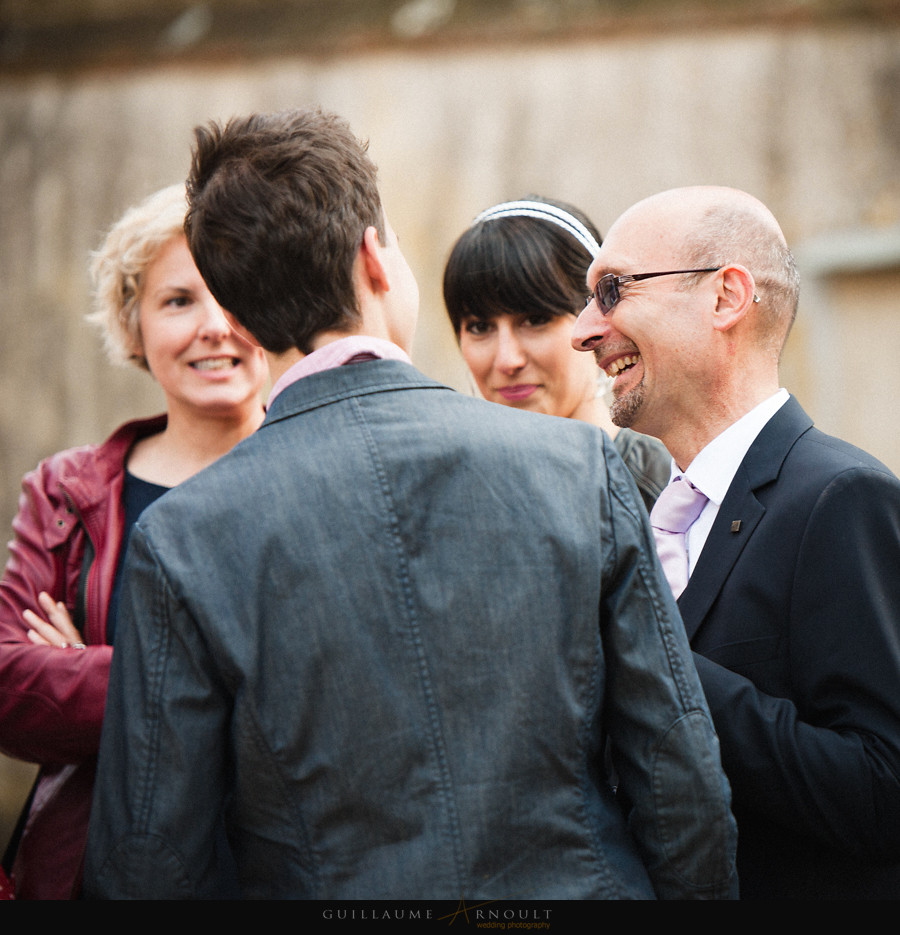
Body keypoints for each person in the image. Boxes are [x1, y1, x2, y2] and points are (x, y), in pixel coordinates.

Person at [83, 108, 737, 900]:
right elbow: (681, 785)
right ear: (375, 257)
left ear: (241, 313)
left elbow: (148, 858)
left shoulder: (183, 536)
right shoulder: (579, 469)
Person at [571, 184, 900, 899]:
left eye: (613, 289)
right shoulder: (645, 517)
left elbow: (883, 791)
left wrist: (655, 660)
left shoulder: (840, 499)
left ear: (726, 297)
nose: (582, 330)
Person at [0, 184, 268, 899]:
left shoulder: (321, 474)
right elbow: (7, 685)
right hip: (93, 871)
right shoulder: (68, 490)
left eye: (234, 293)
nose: (214, 324)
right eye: (179, 300)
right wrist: (232, 684)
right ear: (134, 322)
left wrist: (89, 670)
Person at [443, 197, 670, 512]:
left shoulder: (668, 498)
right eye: (480, 327)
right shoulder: (448, 499)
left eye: (535, 320)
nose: (508, 360)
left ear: (596, 318)